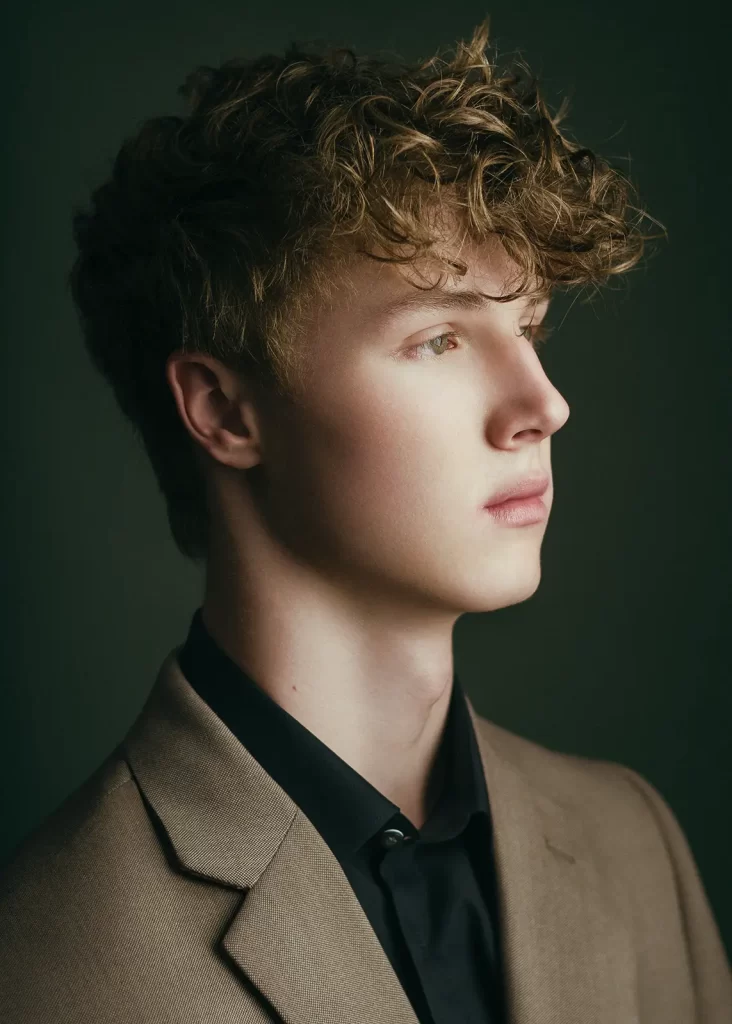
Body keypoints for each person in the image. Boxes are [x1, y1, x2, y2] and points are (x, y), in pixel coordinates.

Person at [1, 17, 730, 1024]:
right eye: (439, 338)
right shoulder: (44, 958)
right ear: (223, 410)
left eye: (527, 329)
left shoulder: (635, 841)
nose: (544, 404)